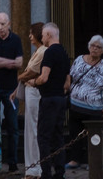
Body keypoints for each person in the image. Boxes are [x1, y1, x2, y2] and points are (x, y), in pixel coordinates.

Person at [64, 37, 103, 168]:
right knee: (74, 133)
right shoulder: (79, 60)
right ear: (88, 46)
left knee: (94, 136)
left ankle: (92, 162)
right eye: (93, 45)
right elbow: (70, 76)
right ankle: (75, 160)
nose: (95, 48)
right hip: (75, 106)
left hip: (95, 108)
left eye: (98, 47)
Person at [0, 10, 24, 173]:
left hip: (11, 89)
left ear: (9, 24)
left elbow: (19, 64)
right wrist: (8, 62)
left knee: (13, 127)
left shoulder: (15, 40)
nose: (1, 27)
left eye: (3, 24)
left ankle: (12, 162)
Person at [34, 23, 71, 179]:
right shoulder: (64, 52)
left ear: (49, 35)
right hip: (60, 99)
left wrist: (34, 82)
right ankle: (60, 172)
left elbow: (44, 77)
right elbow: (67, 82)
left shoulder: (49, 53)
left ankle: (46, 173)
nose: (42, 38)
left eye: (42, 35)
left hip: (49, 99)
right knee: (58, 136)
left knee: (43, 137)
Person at [18, 23, 45, 179]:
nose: (29, 36)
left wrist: (19, 78)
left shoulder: (42, 51)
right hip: (30, 92)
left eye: (31, 33)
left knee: (33, 129)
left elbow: (31, 72)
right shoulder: (37, 51)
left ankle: (34, 168)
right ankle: (32, 167)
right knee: (30, 130)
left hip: (34, 92)